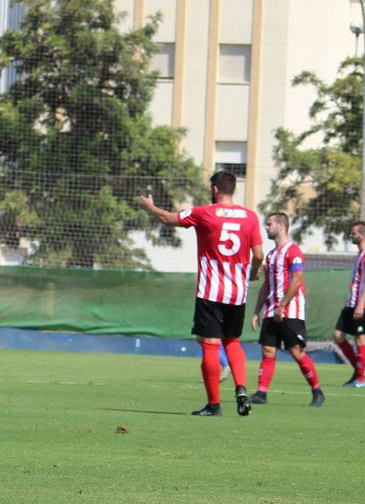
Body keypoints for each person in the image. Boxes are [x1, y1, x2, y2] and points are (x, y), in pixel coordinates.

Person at [139, 172, 264, 416]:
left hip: (211, 290)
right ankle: (241, 387)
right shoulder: (250, 217)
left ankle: (214, 405)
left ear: (216, 189)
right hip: (237, 293)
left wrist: (150, 206)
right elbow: (258, 255)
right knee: (233, 342)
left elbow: (167, 219)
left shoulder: (204, 213)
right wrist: (255, 272)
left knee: (209, 345)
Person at [249, 212, 324, 408]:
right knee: (268, 351)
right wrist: (257, 311)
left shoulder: (294, 252)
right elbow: (266, 286)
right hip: (271, 311)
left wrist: (282, 306)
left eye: (269, 224)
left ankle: (317, 391)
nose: (266, 227)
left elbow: (297, 280)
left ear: (281, 226)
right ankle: (261, 393)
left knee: (296, 351)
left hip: (290, 312)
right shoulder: (271, 255)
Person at [333, 221, 365, 389]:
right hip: (351, 303)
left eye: (353, 233)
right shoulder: (359, 255)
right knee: (338, 336)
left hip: (360, 304)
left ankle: (360, 379)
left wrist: (363, 304)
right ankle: (360, 369)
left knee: (360, 339)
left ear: (363, 235)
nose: (350, 236)